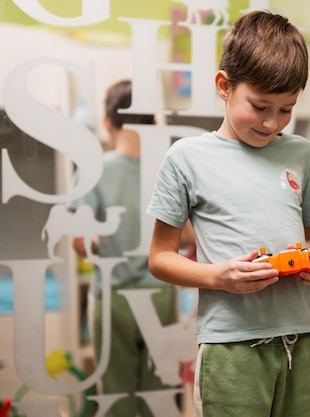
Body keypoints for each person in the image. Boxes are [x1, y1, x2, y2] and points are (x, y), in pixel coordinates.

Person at [146, 10, 310, 417]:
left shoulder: (302, 153)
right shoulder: (186, 158)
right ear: (223, 86)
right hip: (232, 346)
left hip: (306, 338)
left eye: (286, 109)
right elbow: (159, 259)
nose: (272, 122)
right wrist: (220, 277)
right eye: (260, 106)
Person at [69, 80, 179, 416]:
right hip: (160, 292)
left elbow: (80, 242)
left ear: (107, 123)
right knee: (159, 394)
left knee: (117, 396)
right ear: (155, 123)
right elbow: (185, 234)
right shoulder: (169, 168)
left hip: (114, 296)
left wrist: (111, 240)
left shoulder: (96, 170)